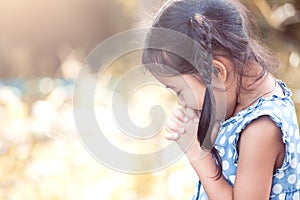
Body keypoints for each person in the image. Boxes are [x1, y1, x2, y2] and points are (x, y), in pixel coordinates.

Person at [141, 0, 300, 199]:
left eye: (180, 91)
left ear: (216, 71)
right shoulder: (242, 96)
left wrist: (196, 152)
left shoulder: (261, 129)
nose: (182, 103)